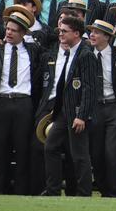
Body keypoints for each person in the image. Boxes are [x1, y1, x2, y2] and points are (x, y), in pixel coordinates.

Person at [0, 6, 42, 195]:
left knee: (23, 151)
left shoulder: (33, 51)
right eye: (7, 28)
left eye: (14, 30)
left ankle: (21, 191)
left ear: (23, 33)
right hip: (1, 102)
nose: (9, 33)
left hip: (23, 104)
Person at [41, 16, 98, 197]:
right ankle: (53, 191)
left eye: (64, 31)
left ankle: (84, 194)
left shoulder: (86, 54)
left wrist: (82, 115)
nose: (61, 34)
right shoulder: (71, 52)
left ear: (76, 33)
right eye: (60, 30)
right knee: (50, 147)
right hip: (63, 112)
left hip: (76, 113)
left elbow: (90, 88)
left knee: (80, 155)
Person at [87, 19, 116, 197]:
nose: (92, 35)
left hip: (114, 107)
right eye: (91, 32)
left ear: (107, 36)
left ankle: (114, 193)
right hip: (95, 107)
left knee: (112, 154)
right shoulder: (86, 54)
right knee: (96, 154)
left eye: (97, 32)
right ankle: (104, 191)